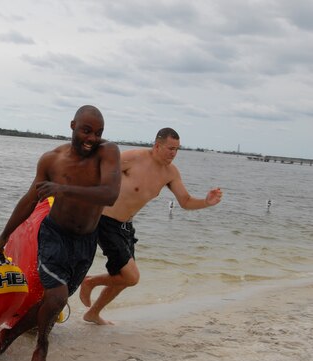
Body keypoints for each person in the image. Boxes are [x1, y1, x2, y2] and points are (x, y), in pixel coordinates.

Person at [0, 105, 121, 361]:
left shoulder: (107, 153)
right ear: (72, 125)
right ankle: (42, 345)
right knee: (57, 296)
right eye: (86, 130)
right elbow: (30, 199)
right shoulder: (51, 161)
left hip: (86, 240)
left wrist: (62, 189)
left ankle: (10, 335)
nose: (92, 138)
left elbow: (109, 194)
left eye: (98, 133)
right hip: (55, 235)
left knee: (54, 303)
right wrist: (4, 235)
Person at [79, 127, 223, 325]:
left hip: (126, 227)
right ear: (157, 145)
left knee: (122, 278)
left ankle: (93, 313)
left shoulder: (170, 173)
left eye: (177, 149)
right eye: (170, 148)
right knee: (131, 277)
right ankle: (90, 281)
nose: (174, 154)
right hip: (104, 221)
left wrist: (206, 202)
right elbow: (95, 174)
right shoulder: (133, 158)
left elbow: (186, 201)